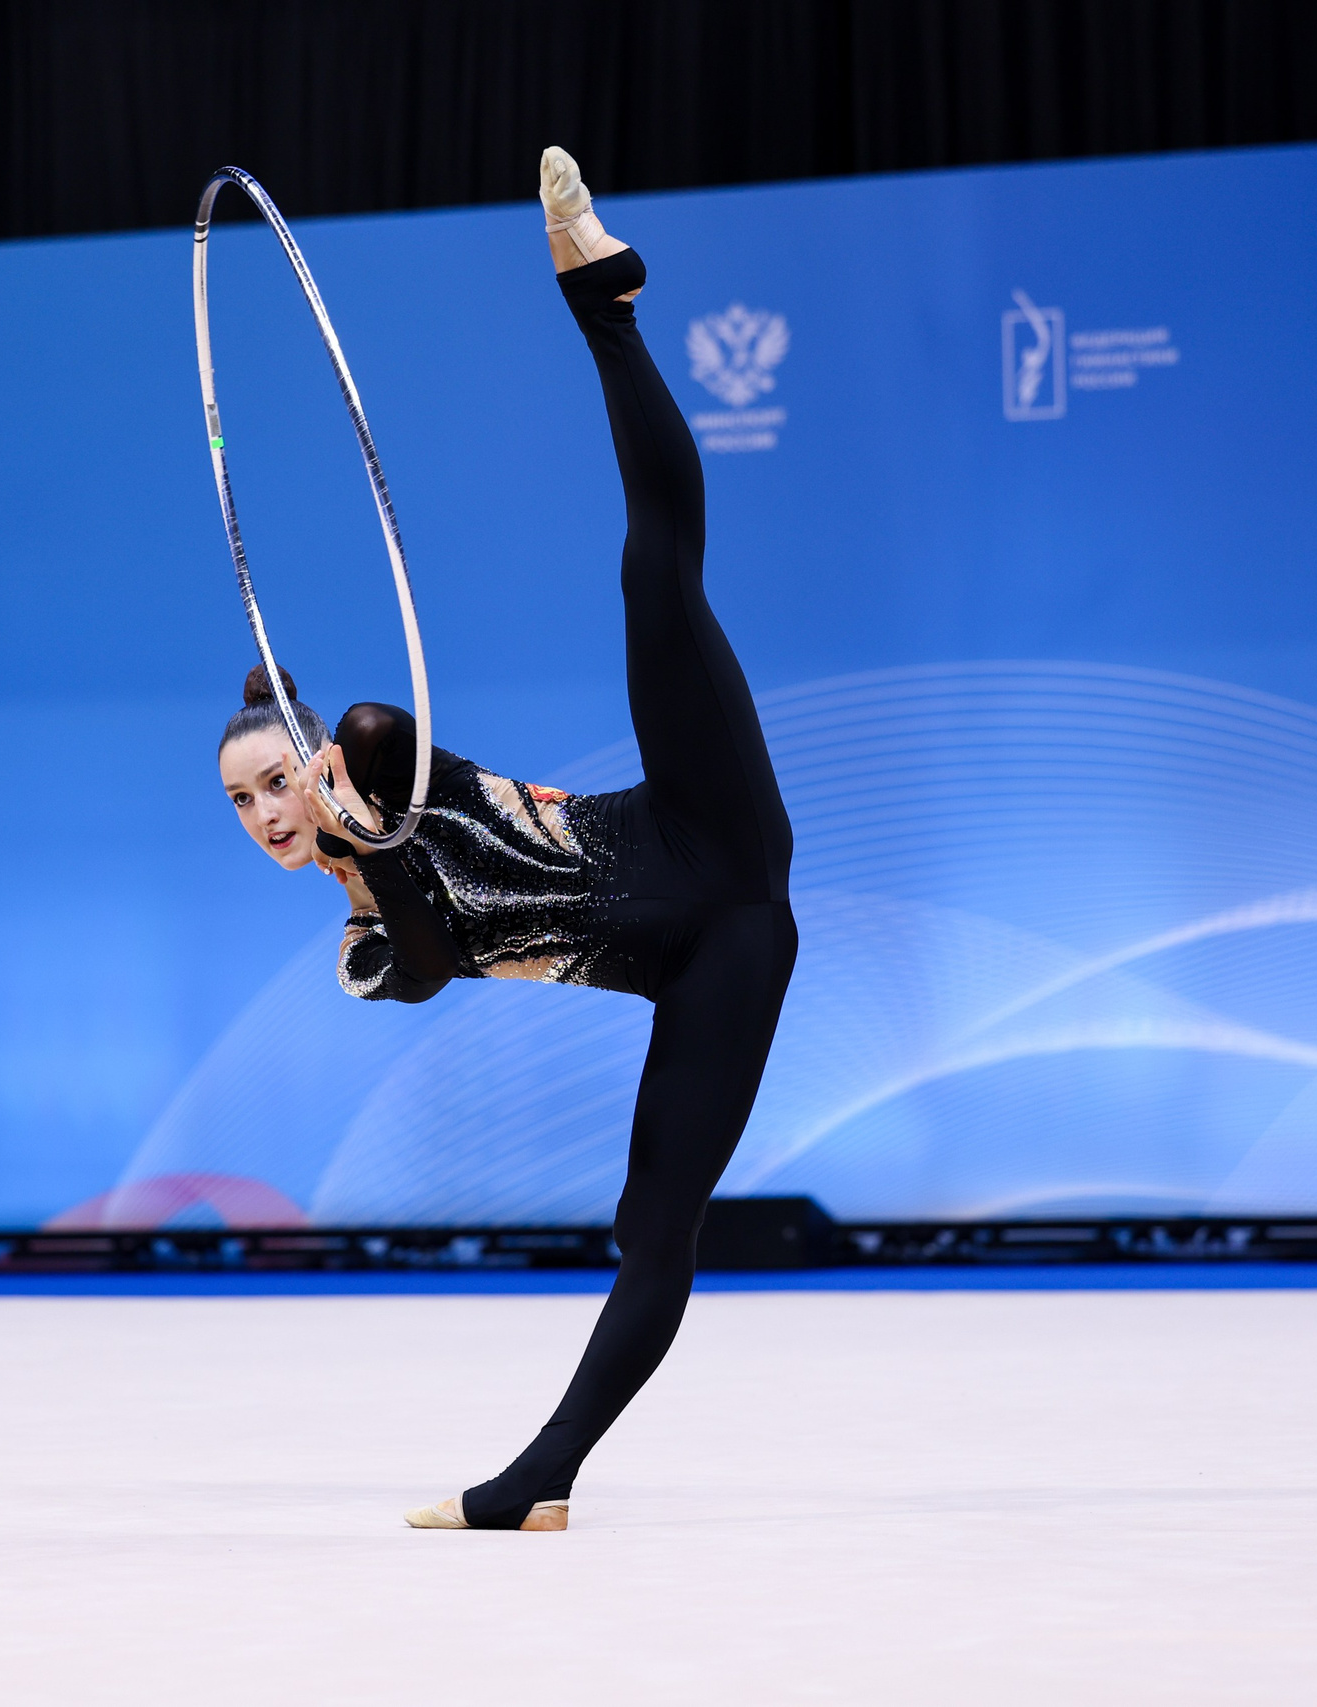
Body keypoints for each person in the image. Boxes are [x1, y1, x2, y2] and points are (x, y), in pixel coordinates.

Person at [215, 147, 797, 1531]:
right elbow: (419, 961)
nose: (268, 814)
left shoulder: (371, 755)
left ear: (310, 759)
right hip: (709, 962)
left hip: (695, 823)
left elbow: (380, 722)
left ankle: (604, 303)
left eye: (274, 781)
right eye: (241, 805)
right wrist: (375, 858)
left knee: (655, 573)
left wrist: (368, 808)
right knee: (654, 1230)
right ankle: (543, 1484)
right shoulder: (362, 947)